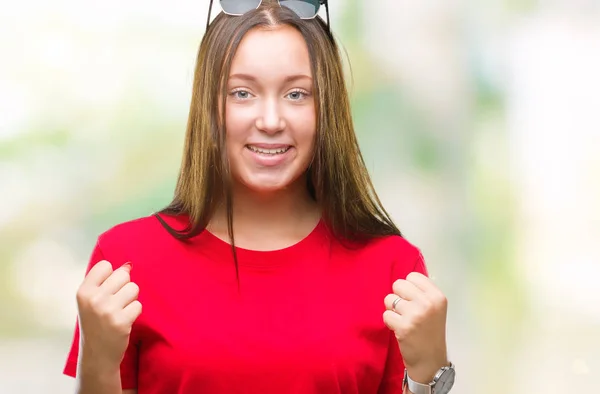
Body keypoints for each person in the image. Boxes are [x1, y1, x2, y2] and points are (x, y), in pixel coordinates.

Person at [63, 1, 454, 393]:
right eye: (242, 93)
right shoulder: (125, 264)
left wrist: (430, 373)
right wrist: (96, 360)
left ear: (327, 108)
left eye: (297, 94)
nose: (270, 121)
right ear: (209, 105)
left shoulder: (392, 268)